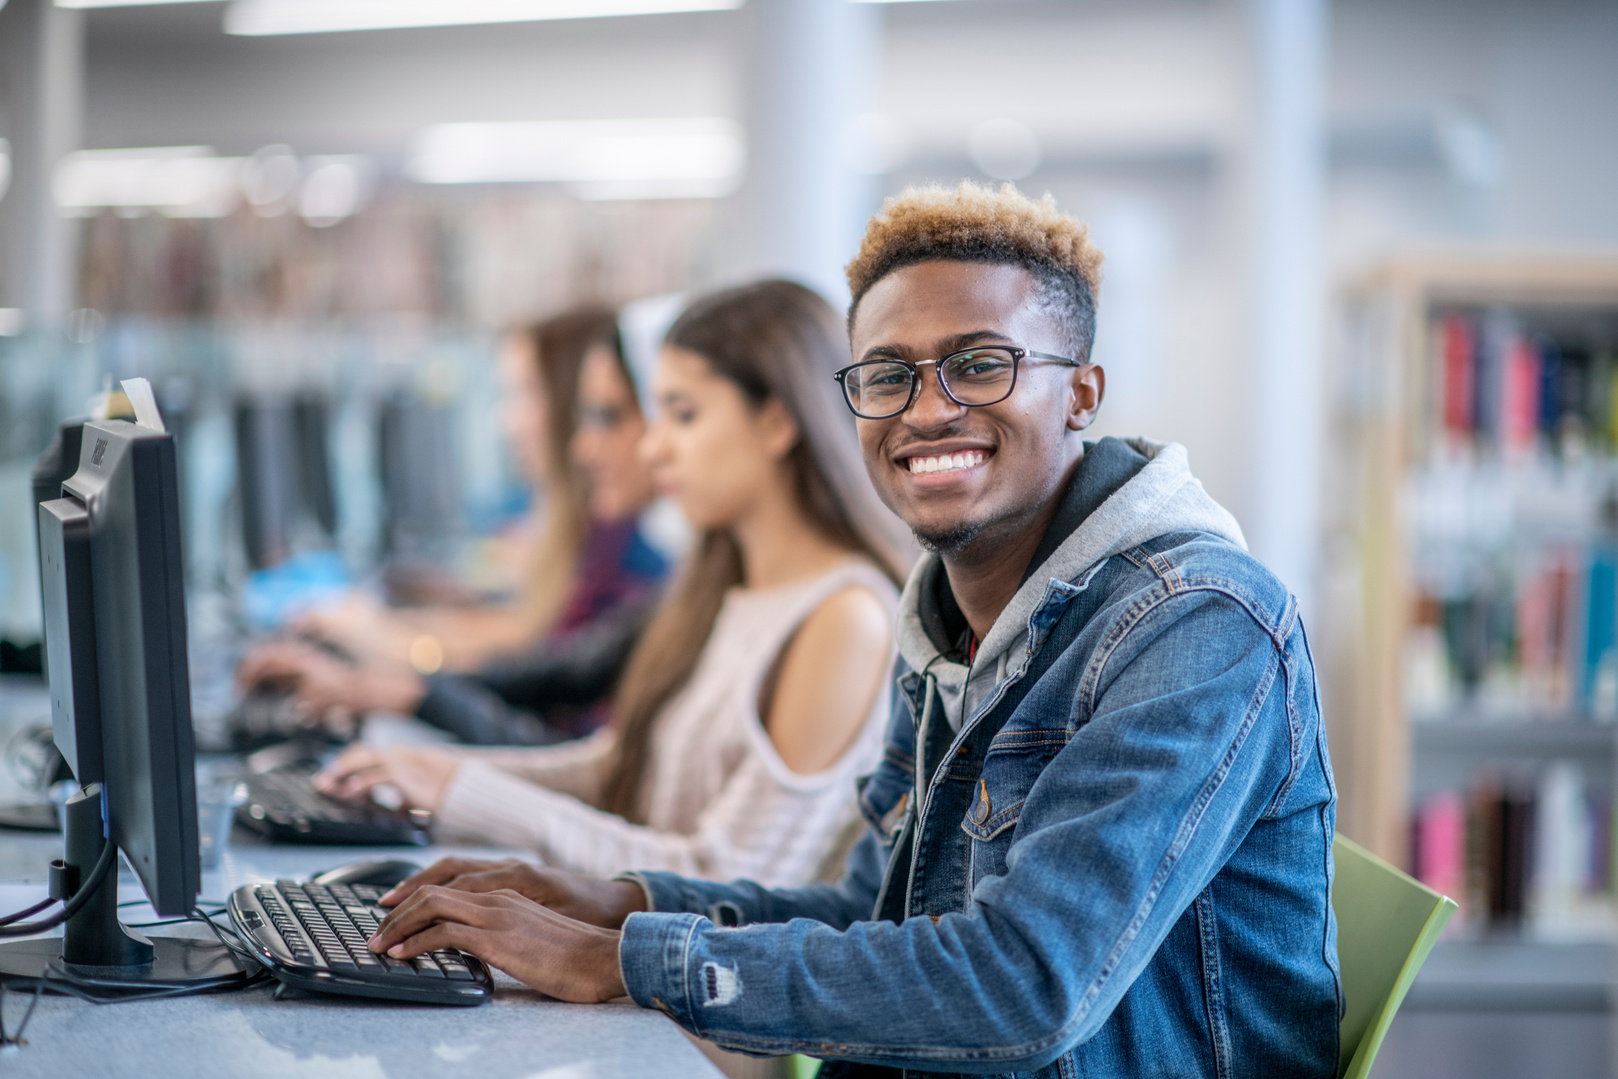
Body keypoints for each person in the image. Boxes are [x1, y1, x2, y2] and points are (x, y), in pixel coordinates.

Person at [361, 183, 1340, 1079]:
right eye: (887, 375)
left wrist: (626, 958)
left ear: (1082, 391)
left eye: (979, 364)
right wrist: (612, 901)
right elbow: (875, 915)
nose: (926, 408)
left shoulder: (1196, 623)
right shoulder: (951, 618)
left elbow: (1025, 984)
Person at [315, 280, 911, 888]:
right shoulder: (728, 589)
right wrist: (437, 773)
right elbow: (619, 767)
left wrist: (461, 792)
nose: (653, 448)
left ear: (778, 420)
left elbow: (728, 881)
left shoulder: (845, 616)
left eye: (683, 414)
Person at [238, 310, 672, 745]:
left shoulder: (632, 556)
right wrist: (392, 667)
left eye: (524, 394)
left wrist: (396, 659)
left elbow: (543, 687)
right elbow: (538, 665)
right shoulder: (619, 550)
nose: (507, 422)